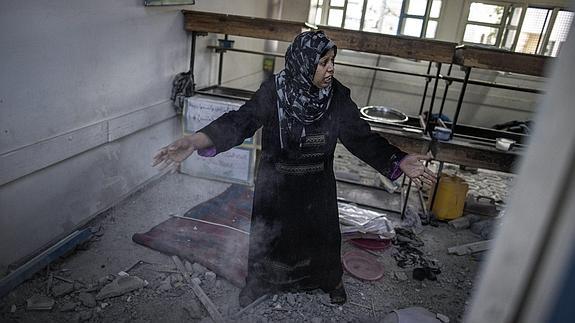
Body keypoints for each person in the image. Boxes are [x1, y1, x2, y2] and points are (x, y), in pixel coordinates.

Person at [153, 30, 435, 306]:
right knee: (270, 239)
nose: (331, 69)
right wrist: (195, 139)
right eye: (323, 63)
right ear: (304, 62)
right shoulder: (274, 92)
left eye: (333, 62)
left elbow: (362, 138)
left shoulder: (336, 97)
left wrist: (398, 159)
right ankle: (260, 283)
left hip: (317, 183)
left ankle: (330, 281)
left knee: (323, 238)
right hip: (276, 184)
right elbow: (241, 121)